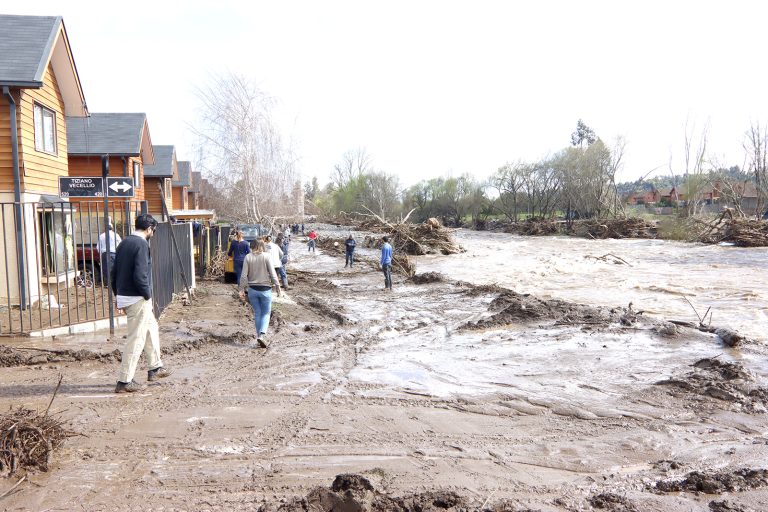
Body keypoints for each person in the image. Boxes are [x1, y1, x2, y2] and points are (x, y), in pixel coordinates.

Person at [111, 214, 173, 393]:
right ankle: (124, 381)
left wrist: (118, 296)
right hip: (137, 297)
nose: (152, 233)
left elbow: (114, 272)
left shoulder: (124, 243)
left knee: (151, 327)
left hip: (127, 295)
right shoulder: (141, 244)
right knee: (136, 339)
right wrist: (147, 295)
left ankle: (155, 367)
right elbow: (141, 275)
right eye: (153, 230)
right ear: (149, 229)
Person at [239, 239, 281, 347]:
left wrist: (241, 289)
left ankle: (259, 336)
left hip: (252, 290)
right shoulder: (266, 256)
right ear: (261, 246)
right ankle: (262, 335)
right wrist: (278, 287)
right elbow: (272, 274)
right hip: (265, 290)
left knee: (257, 313)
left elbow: (243, 276)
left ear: (251, 247)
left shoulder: (248, 257)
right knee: (266, 313)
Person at [98, 218, 122, 285]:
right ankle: (114, 283)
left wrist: (101, 253)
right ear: (112, 228)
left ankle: (107, 283)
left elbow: (98, 247)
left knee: (105, 269)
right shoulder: (116, 235)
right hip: (114, 253)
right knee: (114, 268)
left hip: (105, 254)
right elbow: (120, 244)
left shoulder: (102, 236)